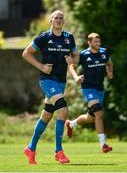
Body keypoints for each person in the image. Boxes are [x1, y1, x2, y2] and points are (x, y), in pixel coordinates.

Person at [22, 10, 77, 164]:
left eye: (61, 18)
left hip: (61, 81)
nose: (58, 20)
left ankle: (30, 148)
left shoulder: (68, 38)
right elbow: (26, 53)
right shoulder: (44, 37)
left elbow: (76, 56)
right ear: (51, 21)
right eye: (55, 18)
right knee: (63, 110)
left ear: (63, 21)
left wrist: (71, 61)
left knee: (46, 115)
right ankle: (58, 151)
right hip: (47, 80)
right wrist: (41, 67)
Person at [66, 32, 113, 153]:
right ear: (89, 42)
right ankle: (103, 145)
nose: (98, 43)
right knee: (99, 113)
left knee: (91, 118)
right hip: (88, 87)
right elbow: (71, 66)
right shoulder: (83, 54)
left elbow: (109, 63)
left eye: (99, 41)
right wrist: (76, 77)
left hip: (100, 88)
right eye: (95, 41)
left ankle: (71, 124)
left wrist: (110, 71)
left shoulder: (103, 52)